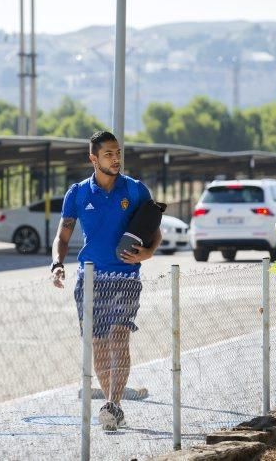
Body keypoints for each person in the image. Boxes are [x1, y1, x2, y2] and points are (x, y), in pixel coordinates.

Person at [51, 130, 161, 431]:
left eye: (118, 153)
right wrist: (57, 264)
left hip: (126, 276)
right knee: (98, 344)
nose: (116, 159)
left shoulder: (136, 190)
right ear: (93, 158)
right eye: (109, 154)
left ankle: (114, 404)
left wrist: (147, 254)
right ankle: (112, 403)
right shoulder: (78, 193)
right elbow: (63, 235)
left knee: (118, 336)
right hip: (89, 278)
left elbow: (155, 230)